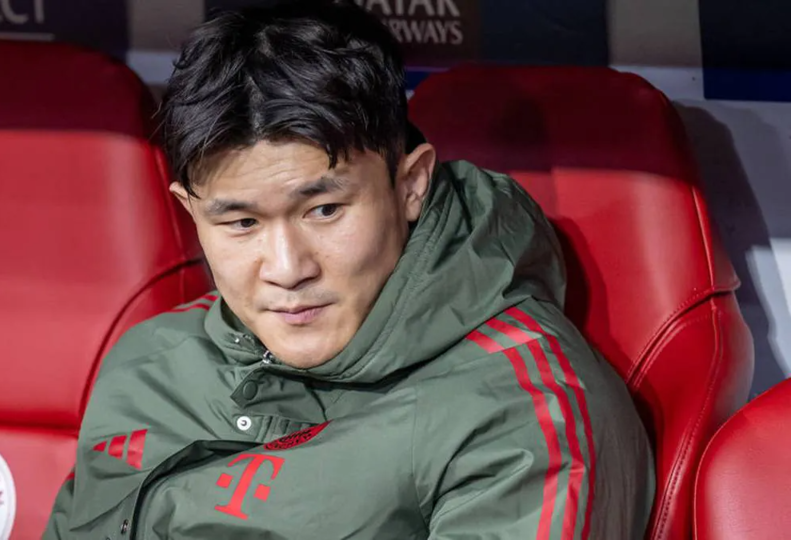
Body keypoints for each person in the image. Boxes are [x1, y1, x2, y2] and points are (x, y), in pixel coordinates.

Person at [43, 1, 655, 538]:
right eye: (242, 223)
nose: (287, 269)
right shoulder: (148, 364)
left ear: (410, 184)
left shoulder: (524, 413)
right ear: (190, 213)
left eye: (324, 210)